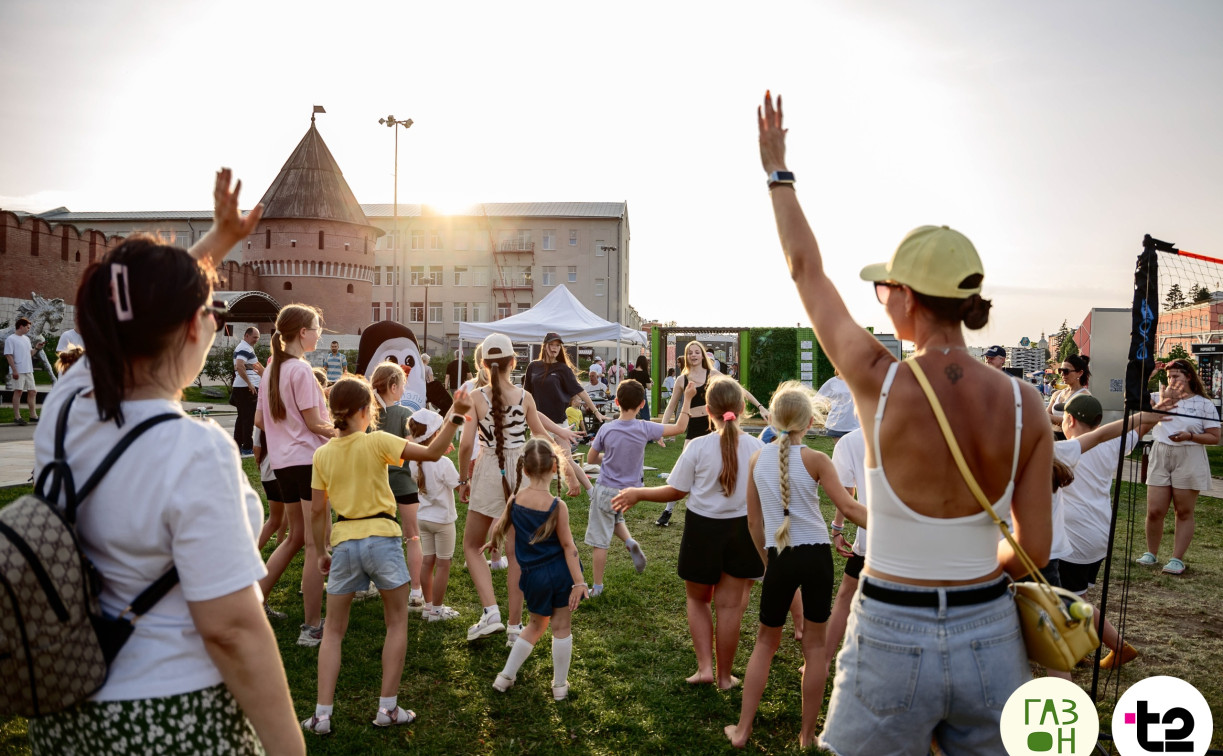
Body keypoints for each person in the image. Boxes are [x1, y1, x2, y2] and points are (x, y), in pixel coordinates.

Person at [758, 92, 1052, 755]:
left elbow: (804, 269)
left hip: (891, 627)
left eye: (885, 290)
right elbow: (1033, 545)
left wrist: (778, 173)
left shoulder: (877, 377)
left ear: (909, 298)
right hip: (991, 633)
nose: (882, 301)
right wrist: (969, 574)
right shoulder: (1025, 403)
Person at [29, 170, 304, 754]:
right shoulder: (193, 451)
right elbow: (231, 628)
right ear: (187, 327)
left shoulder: (65, 404)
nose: (214, 320)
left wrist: (219, 241)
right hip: (168, 716)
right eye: (209, 310)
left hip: (67, 709)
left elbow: (125, 314)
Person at [301, 376, 469, 735]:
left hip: (345, 541)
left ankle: (321, 715)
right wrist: (455, 416)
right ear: (366, 412)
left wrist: (320, 550)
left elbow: (317, 512)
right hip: (383, 537)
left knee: (332, 631)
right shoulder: (377, 441)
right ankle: (388, 709)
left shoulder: (322, 453)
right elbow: (433, 453)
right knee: (396, 623)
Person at [726, 382, 867, 750]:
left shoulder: (757, 459)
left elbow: (754, 524)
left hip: (781, 555)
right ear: (809, 422)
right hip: (817, 555)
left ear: (772, 419)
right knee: (816, 650)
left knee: (764, 643)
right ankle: (807, 736)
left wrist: (767, 560)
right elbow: (850, 509)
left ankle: (742, 730)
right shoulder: (817, 459)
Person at [613, 377, 765, 689]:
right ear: (742, 408)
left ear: (707, 410)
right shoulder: (758, 448)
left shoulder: (698, 446)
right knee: (729, 608)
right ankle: (724, 677)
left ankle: (705, 669)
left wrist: (639, 493)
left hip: (702, 531)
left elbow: (676, 491)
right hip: (742, 533)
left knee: (698, 601)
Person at [458, 333, 579, 644]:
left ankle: (491, 613)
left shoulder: (476, 398)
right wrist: (568, 471)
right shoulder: (525, 397)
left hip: (488, 469)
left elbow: (466, 445)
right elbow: (542, 438)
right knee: (516, 554)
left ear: (483, 365)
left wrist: (463, 479)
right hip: (521, 472)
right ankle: (513, 627)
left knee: (472, 546)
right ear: (514, 362)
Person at [1054, 394, 1165, 668]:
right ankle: (1078, 648)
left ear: (1068, 419)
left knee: (1074, 599)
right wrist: (1153, 413)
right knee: (1076, 595)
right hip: (1099, 533)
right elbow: (1138, 431)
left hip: (1074, 537)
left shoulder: (1065, 451)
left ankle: (1117, 645)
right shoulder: (1114, 444)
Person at [484, 438, 589, 700]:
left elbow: (501, 526)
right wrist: (579, 582)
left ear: (525, 470)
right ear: (555, 468)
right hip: (560, 575)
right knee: (561, 627)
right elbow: (569, 547)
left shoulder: (515, 499)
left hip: (532, 577)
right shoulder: (557, 506)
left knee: (533, 625)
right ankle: (560, 687)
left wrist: (493, 543)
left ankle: (505, 676)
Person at [255, 304, 335, 646]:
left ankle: (254, 604)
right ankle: (312, 626)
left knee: (295, 537)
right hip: (307, 463)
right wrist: (349, 432)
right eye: (317, 327)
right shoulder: (301, 370)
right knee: (316, 543)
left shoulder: (271, 369)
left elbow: (260, 421)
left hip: (283, 464)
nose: (320, 332)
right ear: (302, 332)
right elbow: (315, 423)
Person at [585, 379, 695, 595]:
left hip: (605, 489)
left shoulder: (606, 429)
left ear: (616, 401)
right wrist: (688, 398)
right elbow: (681, 428)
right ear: (642, 404)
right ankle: (630, 541)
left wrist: (607, 458)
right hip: (630, 493)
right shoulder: (645, 428)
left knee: (600, 541)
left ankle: (597, 587)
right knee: (615, 517)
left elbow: (592, 458)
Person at [656, 340, 770, 526]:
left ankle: (724, 502)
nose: (693, 355)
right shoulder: (681, 379)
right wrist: (661, 429)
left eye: (696, 352)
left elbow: (739, 390)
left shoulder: (714, 374)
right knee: (684, 469)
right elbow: (670, 407)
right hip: (693, 427)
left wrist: (761, 407)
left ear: (702, 355)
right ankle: (668, 511)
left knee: (717, 463)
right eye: (690, 353)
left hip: (713, 424)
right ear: (686, 357)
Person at [1139, 358, 1220, 575]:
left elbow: (1214, 437)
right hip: (1161, 452)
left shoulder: (1204, 404)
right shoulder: (1159, 396)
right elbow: (1133, 397)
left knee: (1183, 510)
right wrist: (1150, 375)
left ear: (1189, 377)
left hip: (1189, 454)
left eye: (1176, 376)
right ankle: (1151, 553)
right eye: (1168, 377)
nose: (1171, 380)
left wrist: (1190, 436)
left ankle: (1176, 558)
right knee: (1155, 509)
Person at [369, 362, 425, 609]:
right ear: (393, 387)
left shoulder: (366, 416)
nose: (403, 390)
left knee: (373, 535)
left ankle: (368, 585)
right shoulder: (404, 414)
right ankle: (416, 591)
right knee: (412, 536)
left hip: (374, 484)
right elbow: (411, 448)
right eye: (402, 385)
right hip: (403, 483)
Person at [407, 410, 462, 622]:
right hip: (443, 521)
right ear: (436, 434)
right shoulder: (444, 464)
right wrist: (467, 480)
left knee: (427, 561)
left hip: (423, 517)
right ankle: (437, 610)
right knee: (443, 564)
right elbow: (460, 489)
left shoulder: (413, 460)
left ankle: (428, 606)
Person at [825, 422, 866, 667]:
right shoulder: (924, 431)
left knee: (846, 596)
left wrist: (838, 527)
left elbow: (845, 493)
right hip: (918, 541)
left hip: (872, 538)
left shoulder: (850, 441)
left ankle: (824, 660)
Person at [522, 332, 608, 427]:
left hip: (559, 422)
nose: (554, 348)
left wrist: (596, 411)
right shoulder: (533, 366)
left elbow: (580, 391)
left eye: (558, 345)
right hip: (539, 422)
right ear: (545, 346)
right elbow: (526, 394)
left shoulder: (563, 369)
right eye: (551, 344)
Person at [253, 425, 288, 555]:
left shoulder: (261, 419)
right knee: (291, 516)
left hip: (268, 474)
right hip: (284, 470)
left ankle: (249, 555)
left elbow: (256, 448)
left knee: (274, 520)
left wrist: (260, 466)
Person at [232, 326, 263, 454]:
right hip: (246, 388)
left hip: (242, 387)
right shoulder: (244, 348)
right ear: (246, 336)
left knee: (242, 417)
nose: (256, 340)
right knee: (248, 418)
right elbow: (239, 366)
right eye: (255, 337)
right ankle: (247, 447)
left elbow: (239, 365)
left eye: (258, 338)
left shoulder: (245, 348)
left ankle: (238, 444)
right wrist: (249, 384)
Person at [5, 317, 38, 425]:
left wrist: (37, 348)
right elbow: (8, 355)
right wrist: (14, 370)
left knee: (33, 391)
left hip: (29, 370)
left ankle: (33, 416)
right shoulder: (11, 339)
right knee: (18, 392)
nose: (29, 329)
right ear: (21, 326)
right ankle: (17, 416)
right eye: (27, 327)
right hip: (18, 370)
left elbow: (30, 354)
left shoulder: (26, 339)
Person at [1049, 354, 1091, 438]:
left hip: (1071, 441)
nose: (1062, 375)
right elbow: (1045, 415)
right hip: (1053, 438)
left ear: (1079, 373)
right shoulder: (1057, 394)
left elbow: (1074, 422)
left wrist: (1050, 418)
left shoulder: (1084, 396)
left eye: (1066, 371)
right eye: (1060, 371)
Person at [816, 369, 857, 438]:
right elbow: (818, 398)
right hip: (836, 425)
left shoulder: (858, 381)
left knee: (855, 448)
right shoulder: (832, 382)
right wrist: (827, 405)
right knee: (839, 448)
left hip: (855, 425)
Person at [627, 355, 653, 420]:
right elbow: (649, 387)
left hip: (632, 393)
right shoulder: (645, 373)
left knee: (632, 410)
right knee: (645, 412)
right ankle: (646, 428)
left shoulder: (631, 372)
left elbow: (628, 383)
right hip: (641, 393)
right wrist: (652, 383)